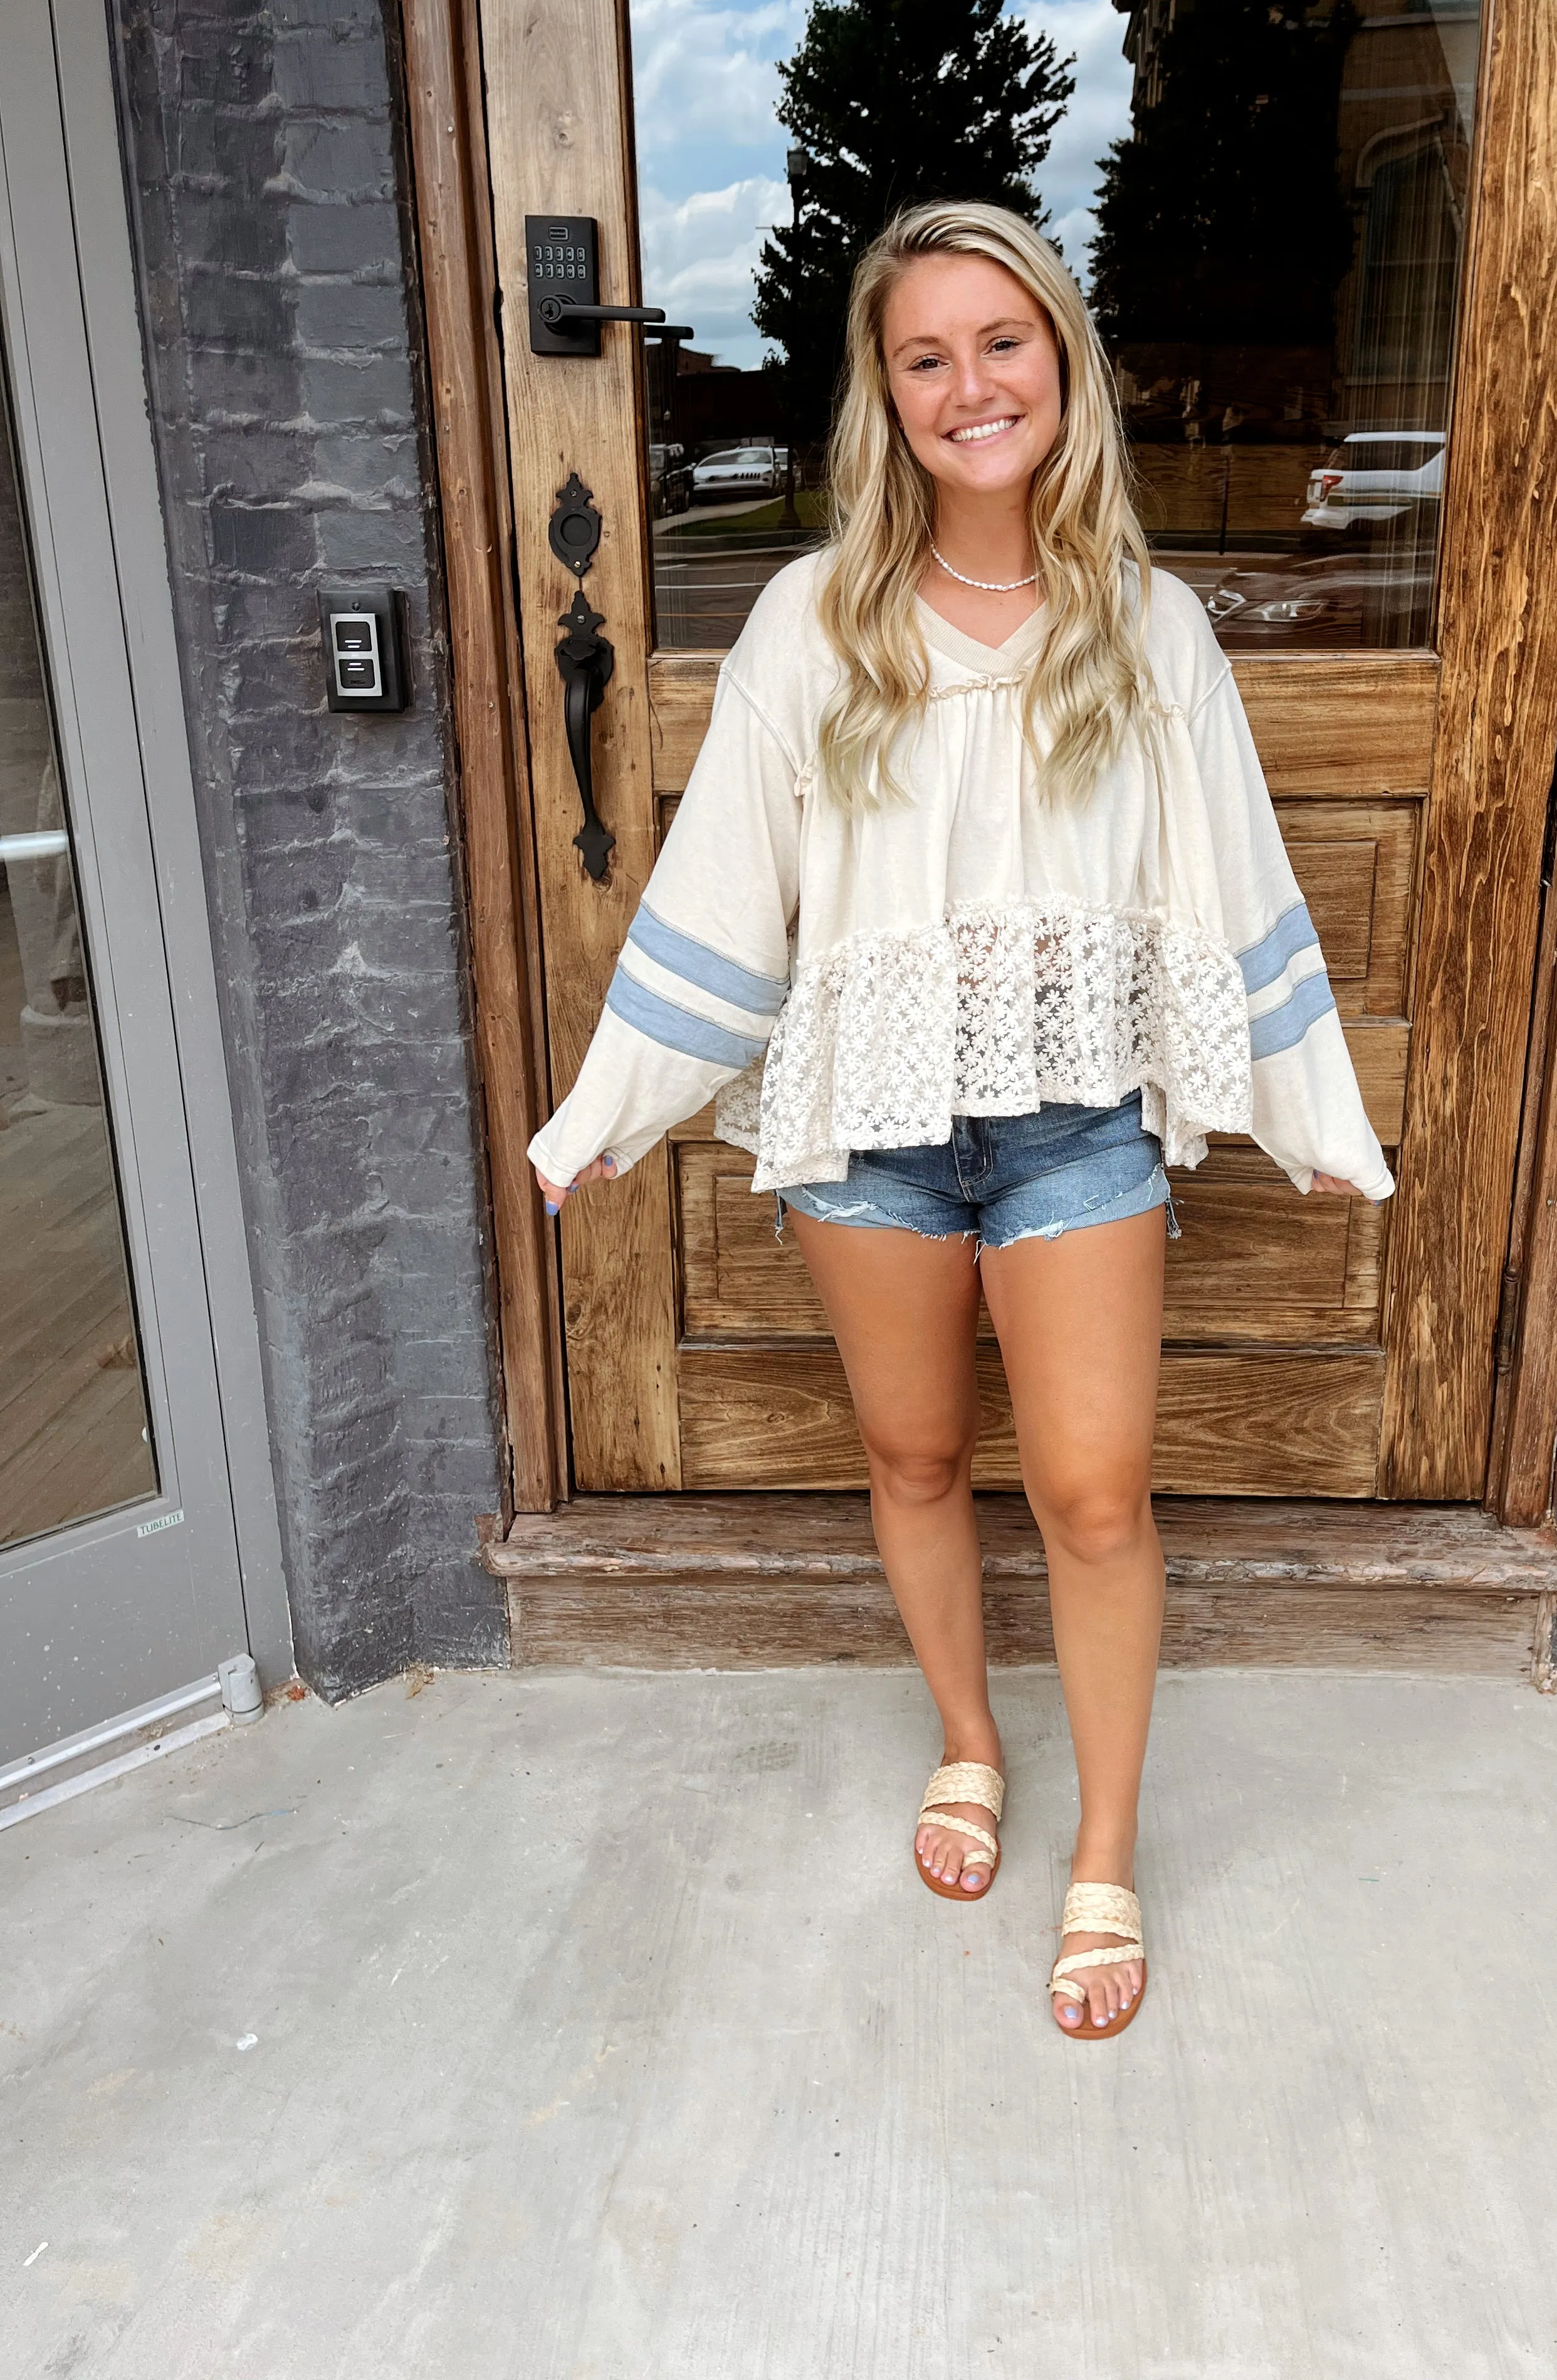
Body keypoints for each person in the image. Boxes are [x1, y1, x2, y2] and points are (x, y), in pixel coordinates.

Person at [529, 200, 1393, 2040]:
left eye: (1001, 341)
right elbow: (723, 886)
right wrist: (620, 1106)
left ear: (1063, 361)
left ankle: (1106, 1852)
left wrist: (1308, 1106)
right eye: (925, 356)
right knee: (916, 1462)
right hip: (869, 1124)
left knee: (1091, 1493)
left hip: (1079, 1121)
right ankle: (967, 1742)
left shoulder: (1149, 628)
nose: (968, 384)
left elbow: (1232, 878)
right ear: (886, 397)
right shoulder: (809, 620)